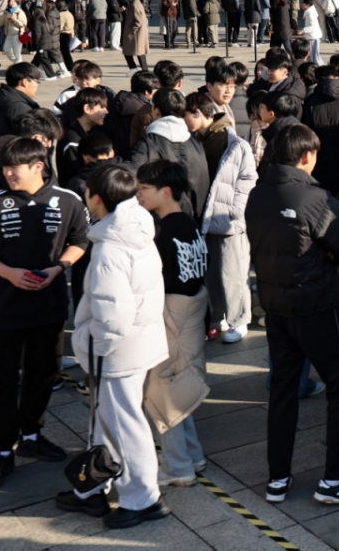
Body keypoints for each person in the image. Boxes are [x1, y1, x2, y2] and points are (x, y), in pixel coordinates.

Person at [245, 124, 339, 507]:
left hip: (276, 306)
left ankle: (277, 479)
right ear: (307, 156)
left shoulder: (258, 194)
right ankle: (336, 480)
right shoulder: (315, 198)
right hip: (316, 305)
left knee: (283, 390)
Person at [0, 137, 89, 488]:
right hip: (3, 310)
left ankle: (31, 433)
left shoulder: (68, 201)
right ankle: (2, 449)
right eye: (5, 167)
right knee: (1, 380)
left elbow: (81, 240)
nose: (8, 174)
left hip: (48, 309)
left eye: (14, 168)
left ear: (38, 167)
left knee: (44, 373)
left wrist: (58, 268)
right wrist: (9, 273)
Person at [58, 164, 171, 528]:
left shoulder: (109, 250)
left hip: (118, 352)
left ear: (97, 198)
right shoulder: (136, 229)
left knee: (123, 425)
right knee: (108, 421)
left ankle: (142, 498)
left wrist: (93, 345)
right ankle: (90, 488)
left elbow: (112, 319)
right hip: (140, 342)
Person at [131, 160, 211, 487]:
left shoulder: (161, 233)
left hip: (170, 322)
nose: (138, 196)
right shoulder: (189, 225)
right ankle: (193, 456)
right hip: (191, 319)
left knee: (161, 395)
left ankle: (178, 467)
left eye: (143, 190)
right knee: (178, 390)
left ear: (165, 191)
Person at [182, 93, 257, 344]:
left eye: (185, 115)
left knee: (234, 271)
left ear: (197, 113)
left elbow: (247, 180)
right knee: (212, 271)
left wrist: (236, 211)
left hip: (228, 218)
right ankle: (220, 317)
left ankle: (240, 320)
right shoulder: (195, 140)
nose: (184, 121)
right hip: (204, 216)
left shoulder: (233, 143)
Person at [127, 89, 210, 221]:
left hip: (158, 224)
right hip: (194, 221)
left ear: (156, 110)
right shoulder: (196, 144)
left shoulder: (147, 143)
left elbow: (131, 181)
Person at [0, 63, 42, 141]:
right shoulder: (19, 108)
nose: (38, 85)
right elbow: (28, 141)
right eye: (37, 81)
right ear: (25, 82)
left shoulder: (7, 99)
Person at [121, 0, 149, 72]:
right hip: (134, 33)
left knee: (135, 52)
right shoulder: (134, 3)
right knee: (137, 52)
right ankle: (141, 69)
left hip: (135, 34)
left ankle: (136, 68)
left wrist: (133, 29)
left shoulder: (135, 5)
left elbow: (139, 20)